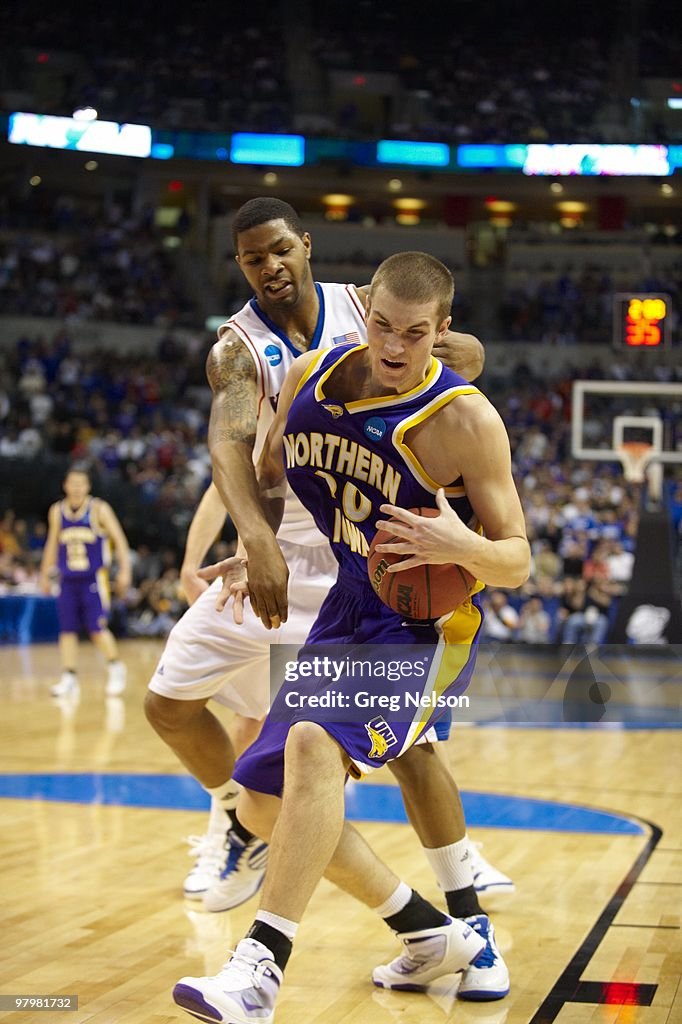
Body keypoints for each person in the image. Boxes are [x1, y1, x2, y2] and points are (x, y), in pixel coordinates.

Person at [173, 251, 530, 1021]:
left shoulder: (464, 419)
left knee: (319, 745)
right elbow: (272, 477)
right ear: (363, 308)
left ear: (442, 329)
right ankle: (432, 933)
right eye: (382, 327)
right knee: (265, 802)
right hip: (345, 603)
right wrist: (256, 544)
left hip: (425, 624)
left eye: (415, 333)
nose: (395, 348)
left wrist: (461, 548)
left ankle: (261, 968)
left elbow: (518, 559)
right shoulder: (310, 377)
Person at [39, 466, 131, 697]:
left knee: (96, 628)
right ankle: (69, 677)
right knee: (67, 629)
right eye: (73, 483)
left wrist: (125, 572)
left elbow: (120, 541)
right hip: (67, 579)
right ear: (65, 485)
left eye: (82, 483)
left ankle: (115, 667)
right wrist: (44, 574)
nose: (77, 488)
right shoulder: (57, 511)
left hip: (94, 578)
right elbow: (52, 543)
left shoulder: (99, 509)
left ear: (88, 486)